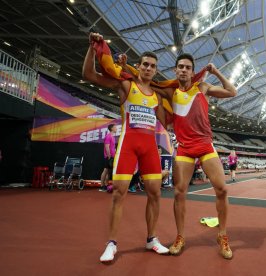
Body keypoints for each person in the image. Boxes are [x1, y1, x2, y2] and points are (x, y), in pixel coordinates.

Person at [83, 32, 169, 263]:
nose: (149, 68)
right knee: (119, 194)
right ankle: (111, 243)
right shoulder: (125, 86)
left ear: (155, 70)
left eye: (153, 66)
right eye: (145, 64)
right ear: (138, 67)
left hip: (150, 148)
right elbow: (89, 74)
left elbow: (171, 120)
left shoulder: (157, 98)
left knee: (155, 194)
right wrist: (93, 49)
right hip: (128, 145)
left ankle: (151, 238)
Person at [152, 53, 237, 259]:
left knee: (222, 189)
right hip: (184, 147)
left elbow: (232, 91)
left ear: (192, 71)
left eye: (187, 67)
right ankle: (180, 237)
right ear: (175, 70)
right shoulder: (170, 91)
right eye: (180, 66)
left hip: (205, 144)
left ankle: (222, 235)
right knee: (179, 192)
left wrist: (215, 71)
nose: (183, 70)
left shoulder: (203, 88)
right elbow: (151, 93)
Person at [99, 124, 116, 192]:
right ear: (112, 128)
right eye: (115, 127)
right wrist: (109, 155)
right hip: (108, 157)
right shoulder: (108, 136)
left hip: (112, 156)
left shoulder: (113, 137)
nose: (116, 128)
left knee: (109, 172)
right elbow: (107, 147)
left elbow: (112, 147)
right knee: (105, 171)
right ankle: (102, 186)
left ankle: (106, 185)